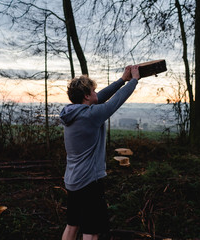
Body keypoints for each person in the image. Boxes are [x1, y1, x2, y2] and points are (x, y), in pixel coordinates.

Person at [60, 65, 140, 240]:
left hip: (73, 180)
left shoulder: (72, 112)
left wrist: (122, 80)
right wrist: (133, 80)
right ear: (87, 96)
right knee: (91, 231)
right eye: (93, 91)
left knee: (72, 225)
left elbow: (100, 98)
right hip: (89, 182)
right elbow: (115, 101)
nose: (97, 93)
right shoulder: (91, 115)